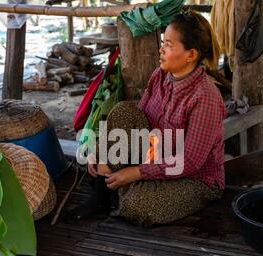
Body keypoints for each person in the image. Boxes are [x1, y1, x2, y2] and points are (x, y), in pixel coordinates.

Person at [73, 11, 226, 227]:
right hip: (154, 157)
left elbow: (189, 162)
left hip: (194, 179)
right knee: (124, 110)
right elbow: (136, 118)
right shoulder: (160, 76)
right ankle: (102, 193)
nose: (161, 49)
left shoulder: (205, 97)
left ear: (191, 54)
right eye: (163, 42)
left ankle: (116, 190)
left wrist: (136, 172)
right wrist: (99, 152)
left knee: (141, 206)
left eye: (169, 45)